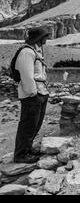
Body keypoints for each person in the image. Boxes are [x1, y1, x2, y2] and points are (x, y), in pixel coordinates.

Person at [13, 28, 50, 163]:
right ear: (39, 38)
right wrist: (32, 93)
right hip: (32, 94)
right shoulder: (27, 53)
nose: (46, 39)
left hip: (41, 92)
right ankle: (21, 154)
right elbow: (27, 76)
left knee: (35, 124)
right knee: (28, 124)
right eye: (45, 37)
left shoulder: (35, 51)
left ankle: (27, 149)